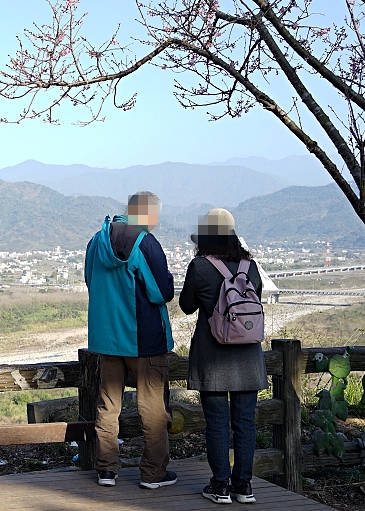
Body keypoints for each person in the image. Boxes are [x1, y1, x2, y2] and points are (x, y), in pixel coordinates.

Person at [85, 191, 177, 489]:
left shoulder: (96, 242)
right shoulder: (146, 243)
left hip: (106, 339)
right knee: (152, 409)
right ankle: (153, 474)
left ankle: (107, 470)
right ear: (149, 215)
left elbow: (91, 281)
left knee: (107, 406)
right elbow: (160, 292)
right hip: (144, 341)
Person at [179, 208, 266, 505]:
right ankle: (244, 486)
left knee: (216, 423)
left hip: (213, 356)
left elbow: (187, 306)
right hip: (248, 357)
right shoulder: (250, 266)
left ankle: (220, 486)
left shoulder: (200, 266)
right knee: (245, 423)